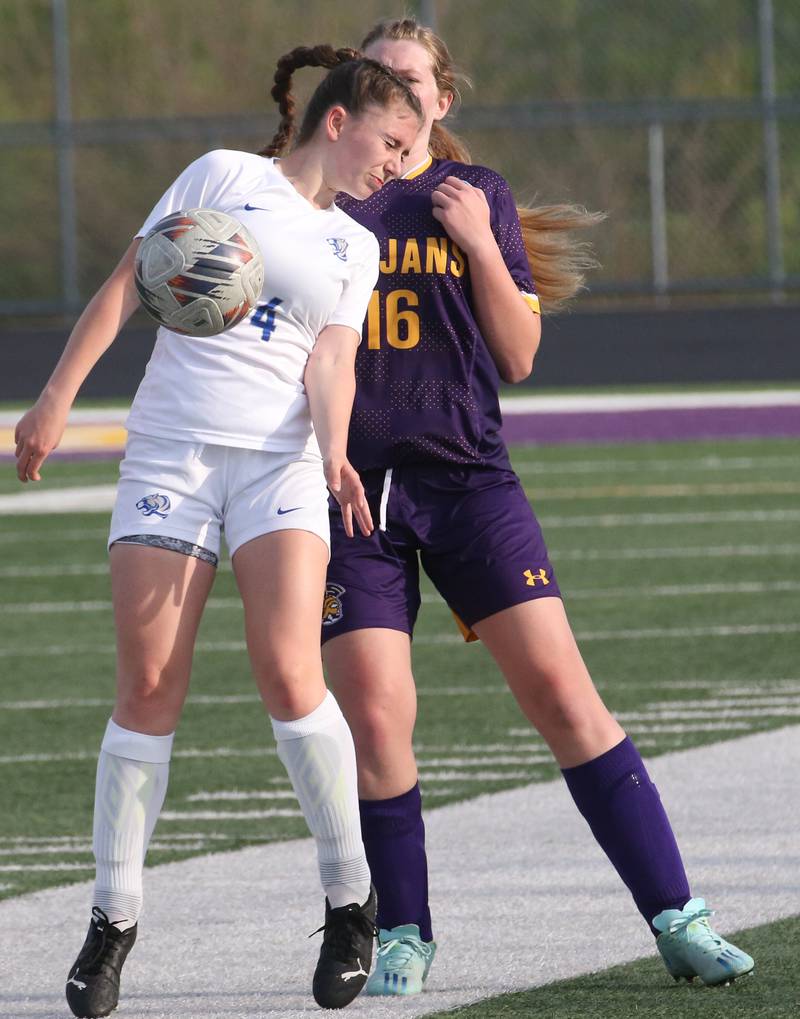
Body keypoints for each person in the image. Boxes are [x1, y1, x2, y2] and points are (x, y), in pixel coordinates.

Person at [264, 17, 756, 998]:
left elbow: (518, 358)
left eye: (413, 86)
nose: (395, 104)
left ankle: (676, 914)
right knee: (375, 713)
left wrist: (481, 246)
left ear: (440, 103)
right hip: (348, 492)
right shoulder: (311, 203)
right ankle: (402, 929)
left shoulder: (472, 194)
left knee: (561, 695)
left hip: (465, 482)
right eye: (378, 83)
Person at [15, 47, 423, 1017]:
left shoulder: (352, 248)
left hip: (278, 465)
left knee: (290, 672)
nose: (397, 164)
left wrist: (332, 451)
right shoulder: (223, 176)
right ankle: (113, 918)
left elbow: (332, 362)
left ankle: (348, 896)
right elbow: (128, 279)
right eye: (391, 142)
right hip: (171, 455)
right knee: (148, 683)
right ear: (338, 120)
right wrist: (54, 398)